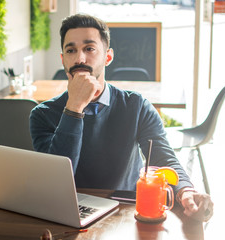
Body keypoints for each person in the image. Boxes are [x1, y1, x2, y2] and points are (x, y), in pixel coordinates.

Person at [29, 13, 213, 222]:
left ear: (108, 56)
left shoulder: (136, 106)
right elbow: (57, 179)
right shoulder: (42, 115)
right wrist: (74, 106)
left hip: (126, 211)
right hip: (69, 214)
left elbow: (163, 157)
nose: (79, 58)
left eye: (89, 49)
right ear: (63, 59)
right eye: (71, 50)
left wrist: (185, 191)